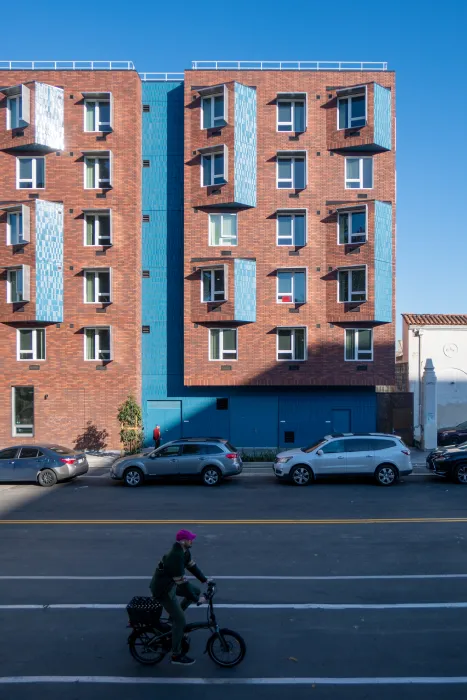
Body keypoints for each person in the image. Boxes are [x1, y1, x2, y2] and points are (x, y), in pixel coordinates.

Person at [150, 529, 208, 666]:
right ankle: (176, 655)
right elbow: (183, 583)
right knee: (181, 620)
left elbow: (192, 567)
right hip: (163, 590)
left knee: (196, 590)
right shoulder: (175, 556)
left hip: (171, 584)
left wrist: (205, 580)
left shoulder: (184, 552)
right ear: (183, 541)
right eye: (190, 539)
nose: (192, 541)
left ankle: (172, 620)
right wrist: (196, 600)